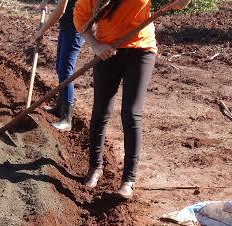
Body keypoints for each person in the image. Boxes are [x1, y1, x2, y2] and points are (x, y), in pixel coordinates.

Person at [74, 0, 190, 199]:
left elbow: (178, 4)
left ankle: (128, 179)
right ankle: (95, 167)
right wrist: (96, 45)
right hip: (107, 50)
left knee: (131, 113)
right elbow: (81, 20)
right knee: (101, 110)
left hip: (141, 50)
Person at [34, 0, 84, 131]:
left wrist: (42, 30)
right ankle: (59, 107)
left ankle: (67, 119)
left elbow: (60, 11)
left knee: (66, 72)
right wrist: (45, 2)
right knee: (60, 68)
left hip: (75, 30)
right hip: (67, 26)